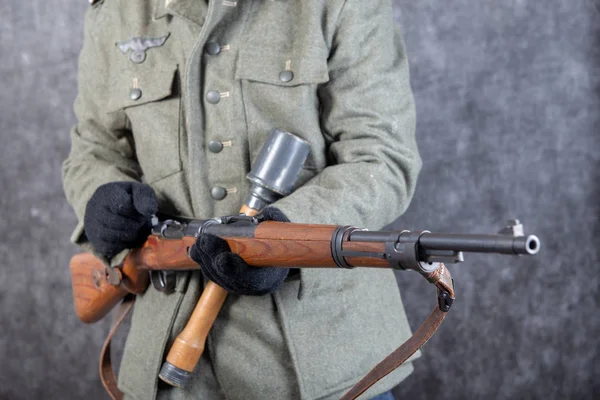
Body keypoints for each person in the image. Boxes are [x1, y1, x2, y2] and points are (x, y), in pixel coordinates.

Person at [62, 0, 422, 399]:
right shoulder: (117, 11)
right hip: (170, 364)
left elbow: (382, 158)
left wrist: (286, 234)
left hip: (325, 365)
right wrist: (101, 198)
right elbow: (94, 150)